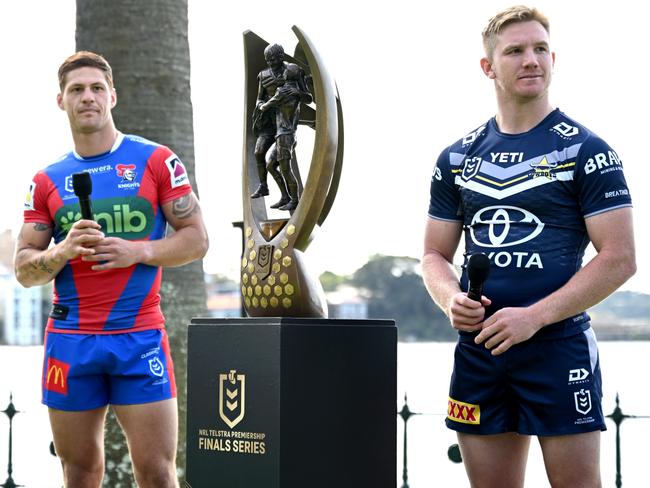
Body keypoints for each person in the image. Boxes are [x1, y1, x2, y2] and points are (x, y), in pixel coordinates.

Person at [422, 6, 635, 487]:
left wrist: (533, 317)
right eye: (515, 51)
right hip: (481, 352)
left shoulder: (587, 150)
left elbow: (620, 258)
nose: (531, 60)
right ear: (488, 67)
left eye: (540, 49)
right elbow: (434, 255)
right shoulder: (457, 157)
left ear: (553, 59)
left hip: (558, 350)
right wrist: (449, 297)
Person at [14, 51, 208, 488]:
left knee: (157, 474)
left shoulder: (156, 161)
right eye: (76, 89)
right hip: (71, 342)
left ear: (112, 97)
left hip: (139, 337)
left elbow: (197, 240)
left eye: (97, 88)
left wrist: (137, 251)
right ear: (61, 101)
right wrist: (61, 251)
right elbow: (25, 270)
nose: (88, 97)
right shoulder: (46, 180)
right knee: (80, 473)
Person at [250, 43, 312, 211]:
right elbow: (259, 99)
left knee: (284, 167)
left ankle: (293, 199)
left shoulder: (292, 73)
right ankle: (269, 188)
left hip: (285, 128)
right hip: (271, 124)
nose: (271, 63)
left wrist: (297, 93)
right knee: (260, 154)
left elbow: (308, 98)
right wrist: (261, 106)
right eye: (268, 60)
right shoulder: (263, 76)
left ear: (281, 57)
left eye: (274, 60)